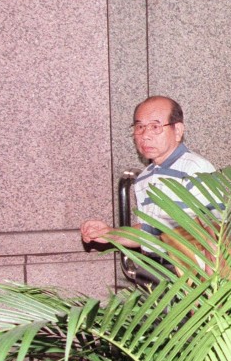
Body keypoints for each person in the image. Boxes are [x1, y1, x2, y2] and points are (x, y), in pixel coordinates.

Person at [80, 95, 216, 249]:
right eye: (140, 127)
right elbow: (149, 234)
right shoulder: (144, 178)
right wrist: (110, 234)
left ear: (177, 130)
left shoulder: (196, 168)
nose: (145, 135)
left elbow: (214, 230)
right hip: (155, 270)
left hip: (191, 271)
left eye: (155, 127)